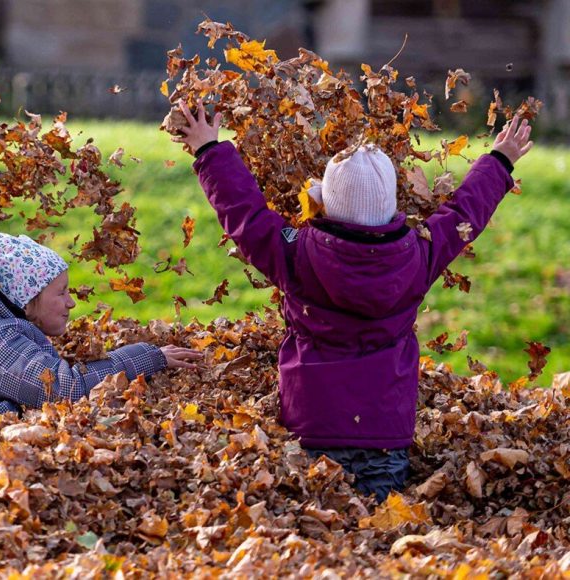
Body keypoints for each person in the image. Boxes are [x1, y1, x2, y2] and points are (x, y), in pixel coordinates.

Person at [173, 101, 533, 501]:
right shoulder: (418, 256)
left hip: (312, 429)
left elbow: (246, 215)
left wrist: (209, 150)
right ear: (392, 207)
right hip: (386, 438)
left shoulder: (297, 255)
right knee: (376, 532)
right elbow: (464, 214)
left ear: (326, 203)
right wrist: (500, 160)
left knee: (315, 523)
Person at [0, 231, 202, 419]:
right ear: (27, 301)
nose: (71, 303)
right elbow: (66, 389)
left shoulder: (1, 333)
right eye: (61, 292)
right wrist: (148, 357)